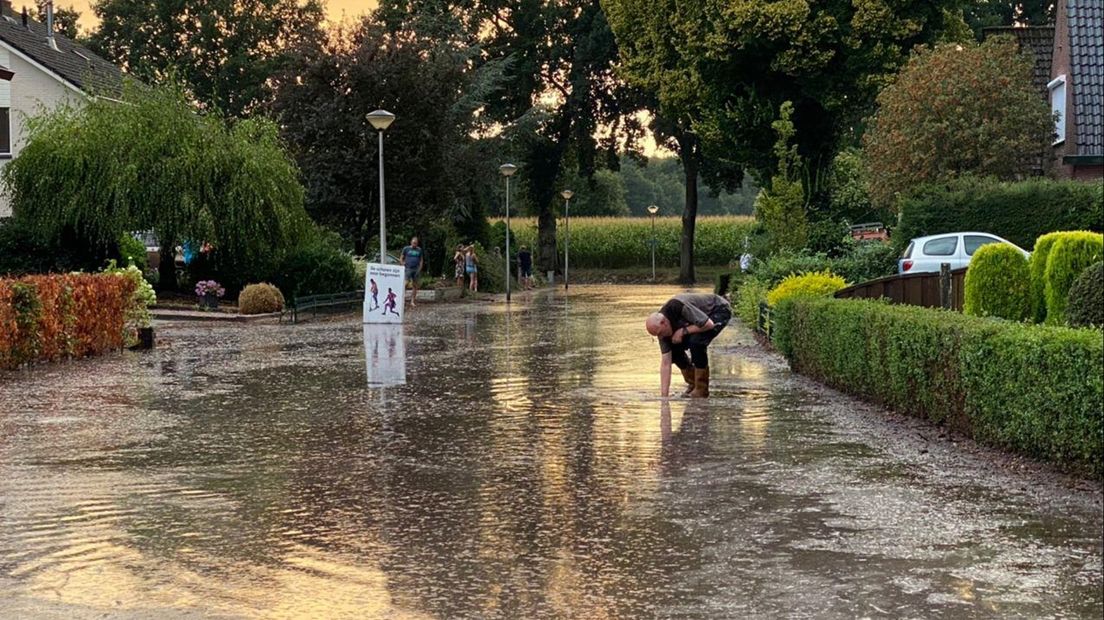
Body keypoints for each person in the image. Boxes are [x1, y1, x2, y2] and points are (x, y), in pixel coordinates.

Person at [644, 293, 731, 398]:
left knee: (696, 342)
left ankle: (701, 389)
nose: (660, 337)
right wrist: (664, 397)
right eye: (657, 335)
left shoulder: (678, 306)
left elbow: (709, 325)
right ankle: (693, 383)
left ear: (664, 323)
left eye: (660, 333)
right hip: (697, 323)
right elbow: (666, 363)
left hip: (718, 310)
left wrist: (683, 331)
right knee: (674, 351)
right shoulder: (661, 330)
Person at [400, 236, 425, 307]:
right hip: (408, 268)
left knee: (415, 285)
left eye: (416, 243)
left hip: (416, 269)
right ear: (411, 242)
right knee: (405, 284)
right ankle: (402, 300)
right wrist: (402, 264)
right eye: (414, 243)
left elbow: (421, 260)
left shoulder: (419, 250)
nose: (415, 244)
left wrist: (420, 268)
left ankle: (412, 301)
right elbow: (401, 257)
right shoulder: (406, 249)